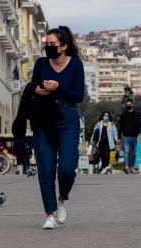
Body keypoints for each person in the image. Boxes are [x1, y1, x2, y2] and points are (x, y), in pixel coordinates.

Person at [27, 26, 85, 229]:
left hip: (68, 118)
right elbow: (32, 87)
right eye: (46, 44)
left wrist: (59, 87)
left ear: (63, 46)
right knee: (46, 168)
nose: (48, 47)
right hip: (44, 119)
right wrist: (37, 89)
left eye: (52, 44)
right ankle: (50, 214)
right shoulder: (41, 63)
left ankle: (63, 197)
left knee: (68, 167)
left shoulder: (75, 64)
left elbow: (79, 96)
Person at [119, 98, 141, 174]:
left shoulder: (137, 114)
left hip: (134, 136)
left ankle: (131, 167)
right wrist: (119, 137)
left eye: (130, 104)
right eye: (127, 104)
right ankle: (126, 167)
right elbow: (120, 126)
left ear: (132, 104)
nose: (128, 105)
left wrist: (139, 134)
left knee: (134, 153)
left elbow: (139, 125)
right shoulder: (123, 115)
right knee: (127, 152)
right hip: (126, 137)